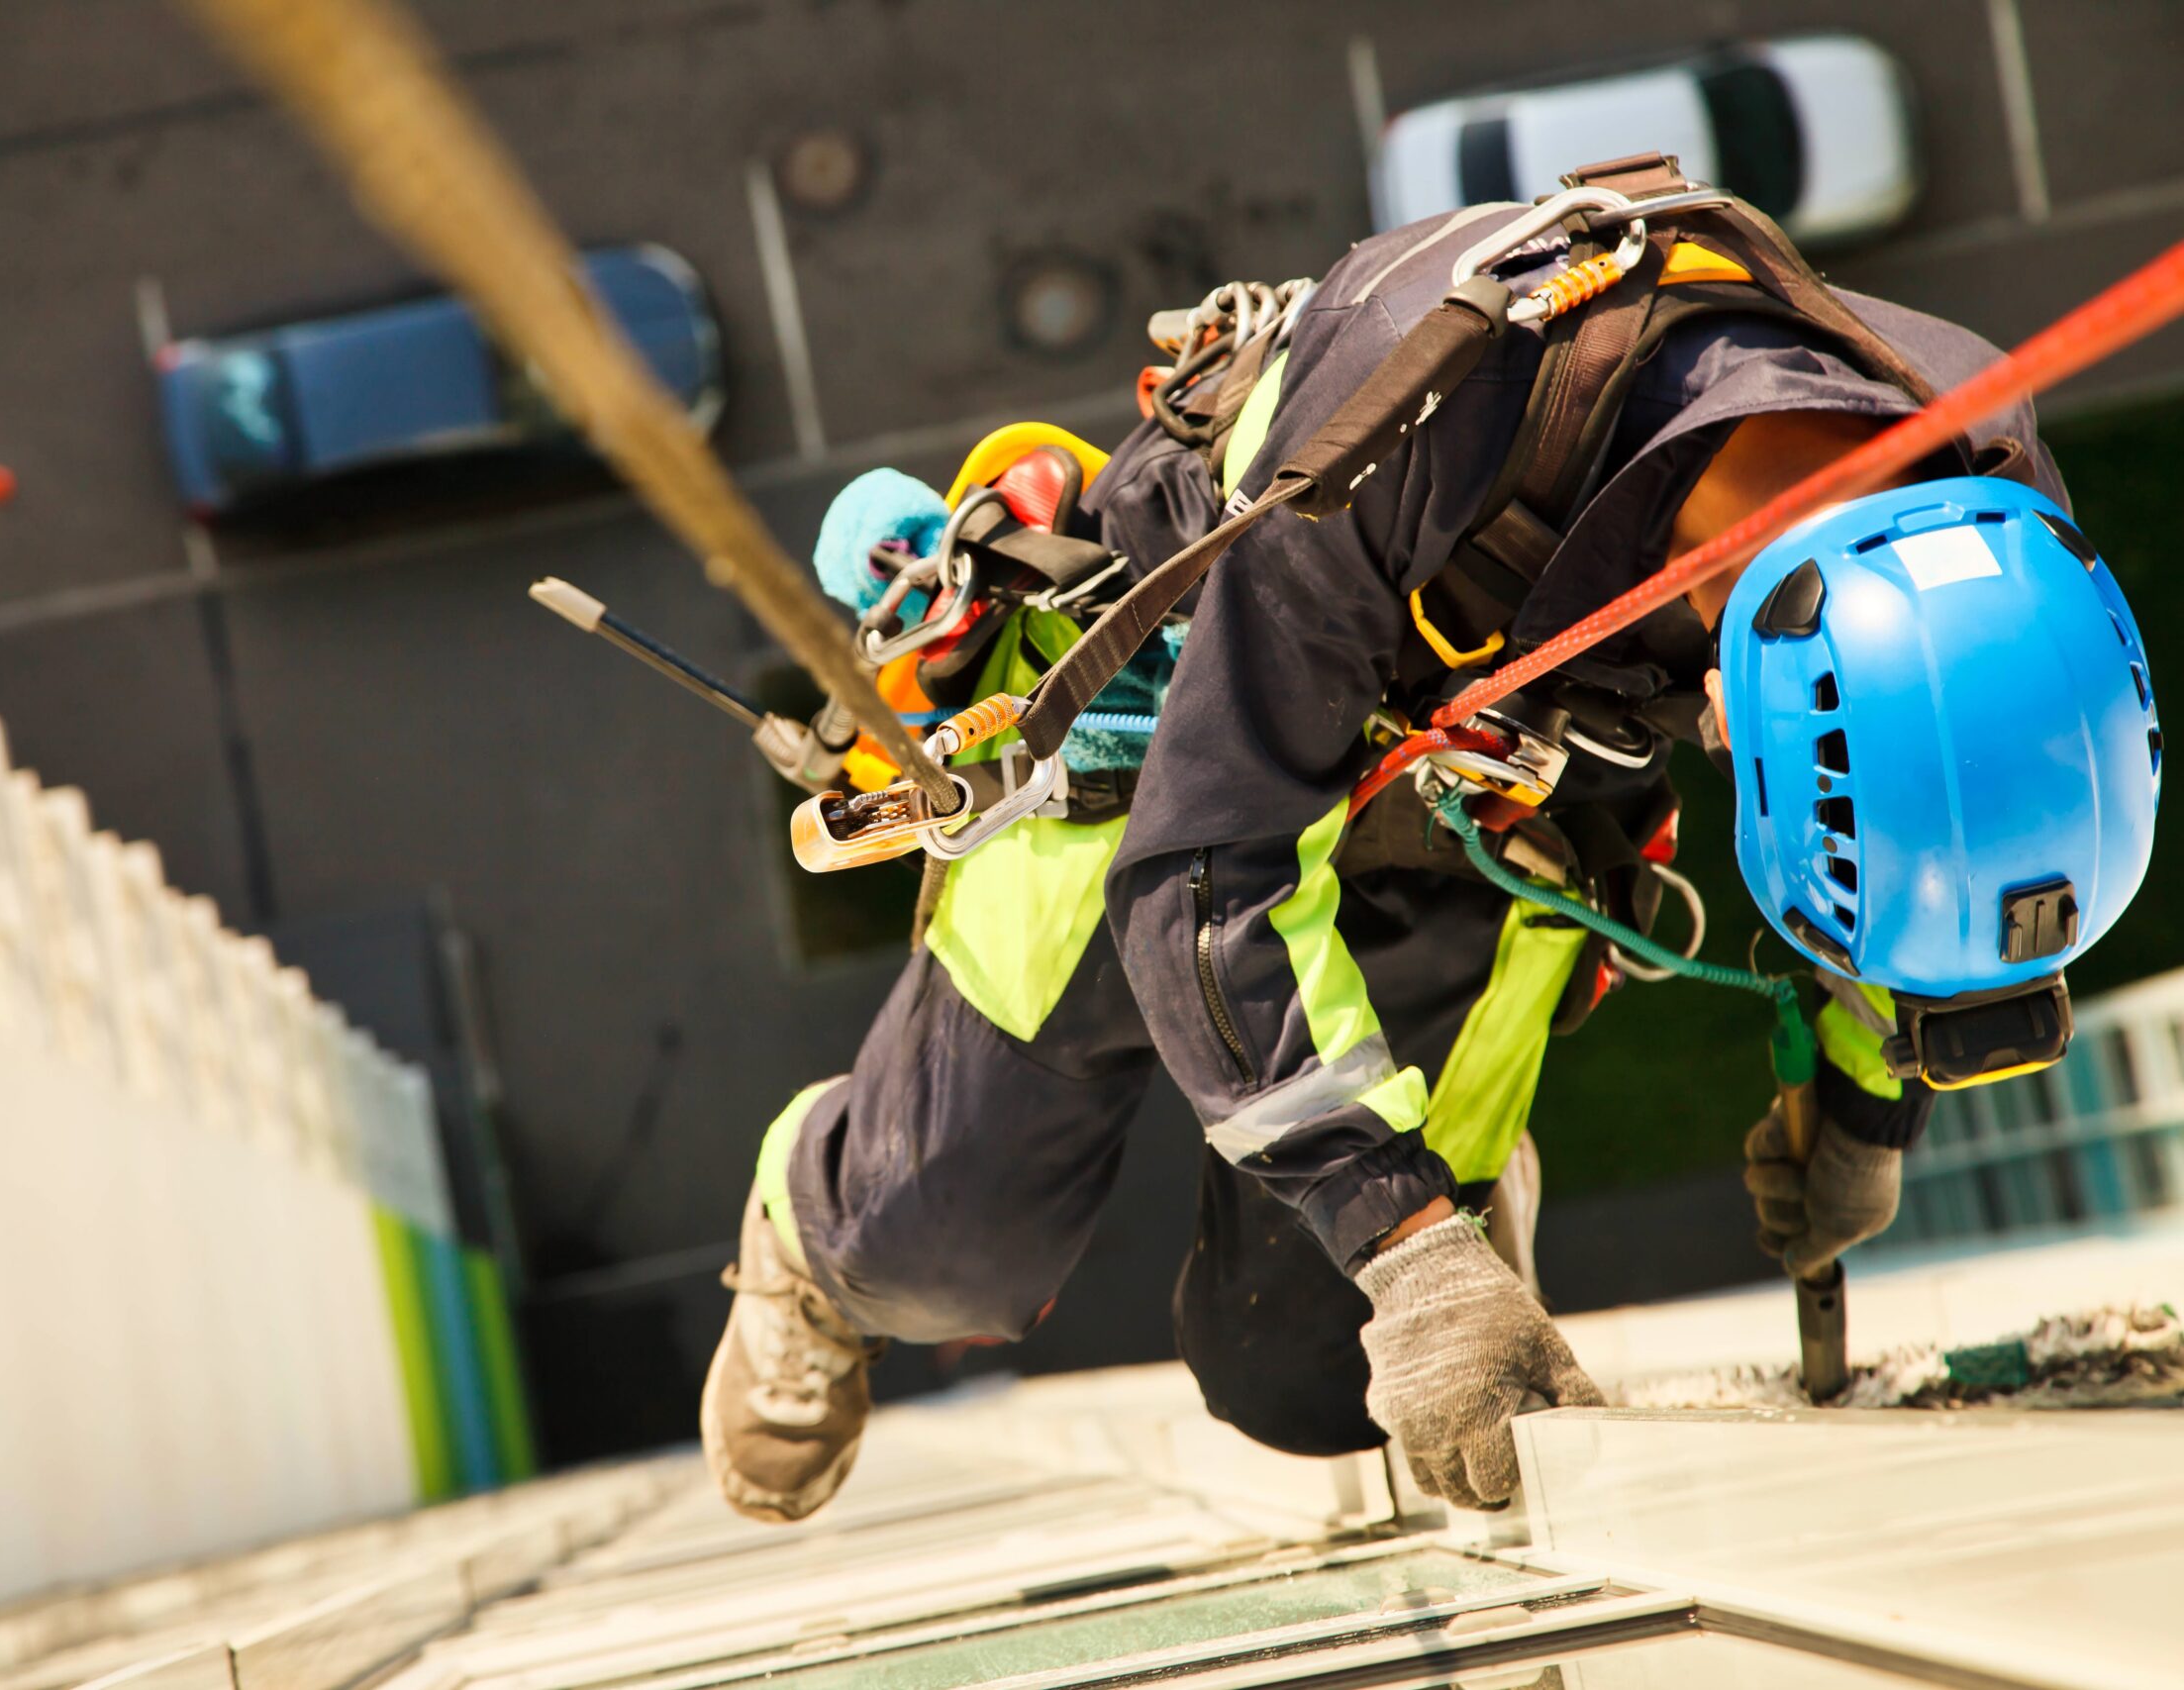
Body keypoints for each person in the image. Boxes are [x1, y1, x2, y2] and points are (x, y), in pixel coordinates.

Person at [705, 156, 2158, 1521]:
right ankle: (808, 1235)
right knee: (938, 1248)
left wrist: (1871, 1099)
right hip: (1183, 730)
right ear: (1748, 681)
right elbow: (1204, 873)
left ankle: (1454, 1176)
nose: (1710, 735)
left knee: (1316, 1380)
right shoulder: (1414, 423)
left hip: (1495, 802)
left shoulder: (1978, 477)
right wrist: (1410, 1249)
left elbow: (1946, 803)